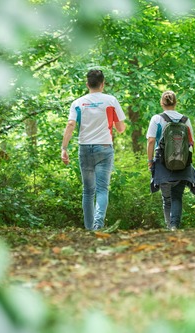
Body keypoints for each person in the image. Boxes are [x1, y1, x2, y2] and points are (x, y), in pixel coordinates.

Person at [61, 69, 126, 230]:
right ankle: (98, 225)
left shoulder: (78, 103)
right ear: (103, 84)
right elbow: (121, 129)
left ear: (87, 84)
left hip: (84, 148)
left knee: (88, 191)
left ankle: (89, 228)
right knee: (102, 189)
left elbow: (70, 124)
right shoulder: (111, 101)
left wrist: (64, 148)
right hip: (104, 147)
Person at [146, 90, 195, 231]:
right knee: (177, 195)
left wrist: (150, 160)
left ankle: (169, 226)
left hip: (162, 161)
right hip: (183, 162)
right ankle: (174, 226)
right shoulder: (185, 119)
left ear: (162, 103)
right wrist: (185, 159)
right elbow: (191, 143)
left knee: (167, 198)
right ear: (176, 103)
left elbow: (151, 140)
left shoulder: (156, 119)